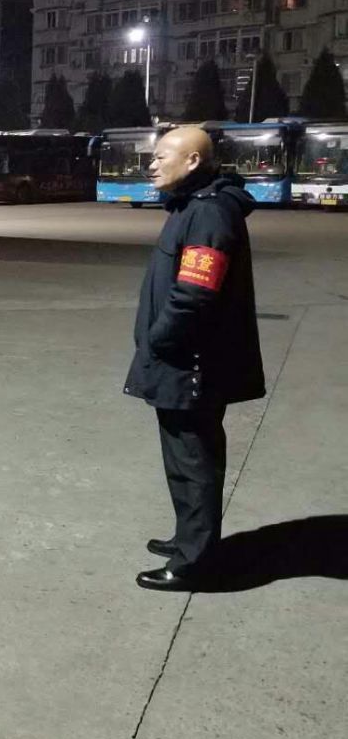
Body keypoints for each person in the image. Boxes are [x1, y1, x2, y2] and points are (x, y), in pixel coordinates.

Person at [123, 126, 265, 592]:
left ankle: (194, 563)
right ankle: (191, 538)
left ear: (193, 162)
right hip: (185, 359)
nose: (152, 165)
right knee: (186, 457)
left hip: (190, 363)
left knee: (193, 460)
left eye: (162, 156)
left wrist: (159, 340)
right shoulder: (191, 205)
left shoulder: (208, 212)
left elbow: (195, 295)